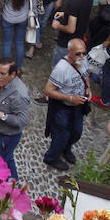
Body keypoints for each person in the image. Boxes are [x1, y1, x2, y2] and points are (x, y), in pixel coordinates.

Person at [42, 38, 91, 171]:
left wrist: (88, 89)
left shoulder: (84, 61)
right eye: (78, 54)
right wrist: (70, 98)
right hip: (63, 108)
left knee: (76, 132)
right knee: (61, 136)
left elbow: (86, 75)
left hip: (78, 106)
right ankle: (51, 157)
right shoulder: (61, 69)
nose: (81, 56)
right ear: (69, 52)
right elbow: (48, 90)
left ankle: (66, 150)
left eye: (83, 53)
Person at [51, 0, 92, 68]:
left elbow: (70, 29)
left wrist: (57, 25)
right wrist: (65, 14)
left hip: (66, 43)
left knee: (58, 69)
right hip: (79, 40)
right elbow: (79, 13)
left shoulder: (74, 2)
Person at [1, 0, 35, 72]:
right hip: (23, 17)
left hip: (8, 17)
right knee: (19, 43)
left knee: (7, 42)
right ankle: (19, 68)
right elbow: (33, 2)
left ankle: (6, 68)